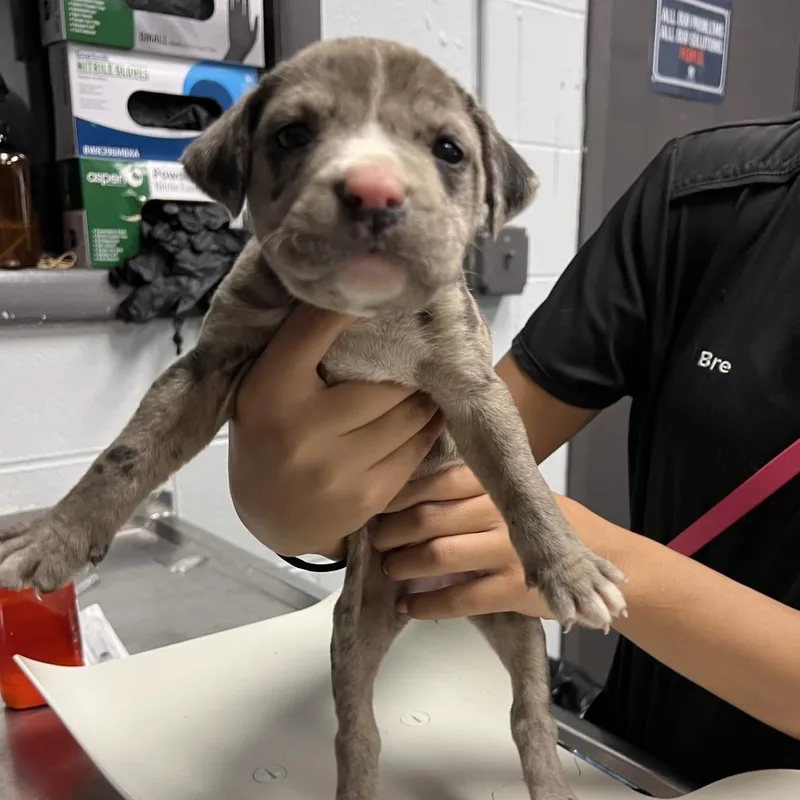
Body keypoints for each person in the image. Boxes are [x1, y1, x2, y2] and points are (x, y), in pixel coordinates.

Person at [227, 112, 800, 787]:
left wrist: (600, 563)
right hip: (636, 761)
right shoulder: (711, 193)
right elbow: (451, 467)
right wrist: (309, 509)